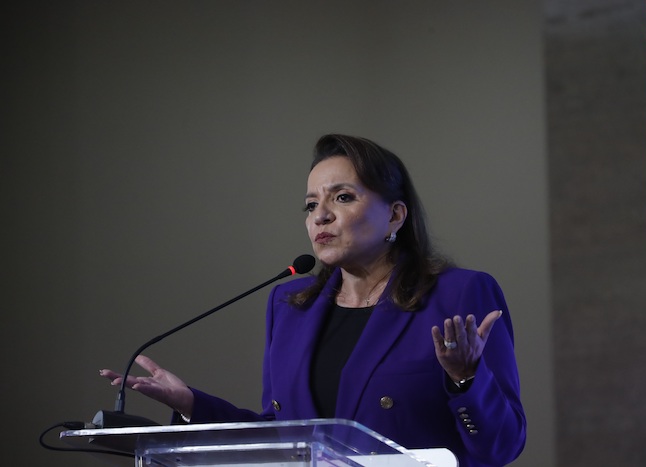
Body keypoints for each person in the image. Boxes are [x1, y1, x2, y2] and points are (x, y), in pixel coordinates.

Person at [100, 134, 526, 466]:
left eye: (342, 197)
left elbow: (501, 447)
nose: (320, 215)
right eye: (310, 204)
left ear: (395, 215)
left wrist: (466, 381)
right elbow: (284, 436)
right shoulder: (290, 306)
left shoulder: (458, 294)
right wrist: (193, 405)